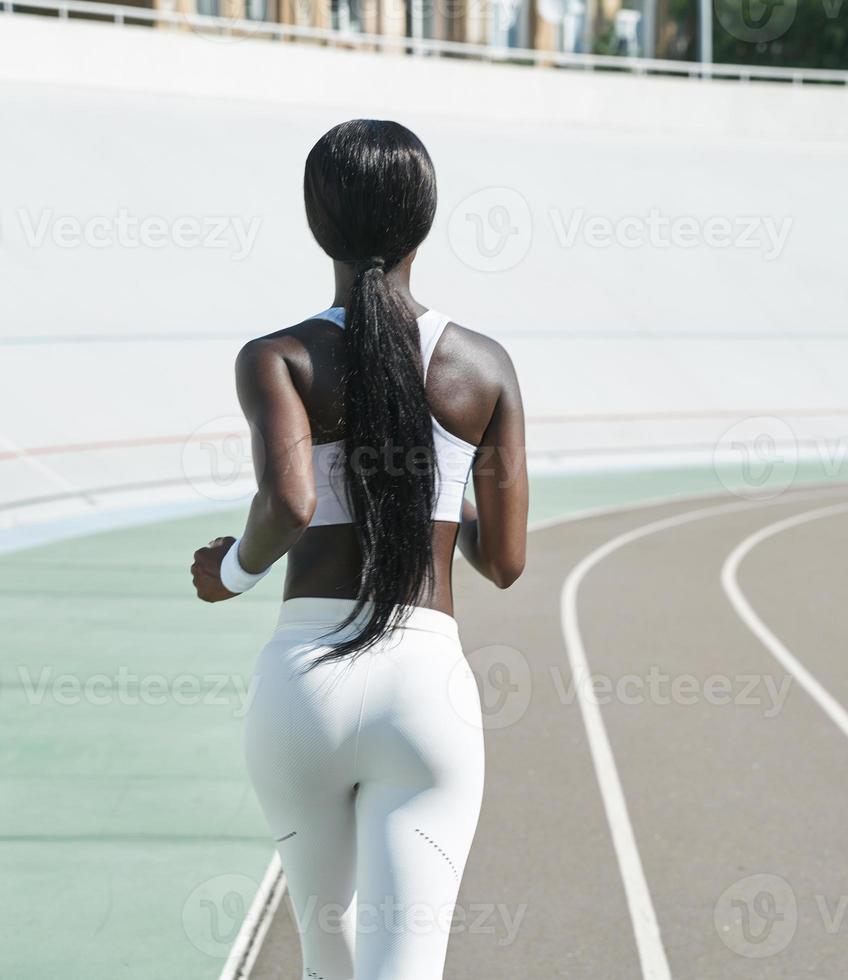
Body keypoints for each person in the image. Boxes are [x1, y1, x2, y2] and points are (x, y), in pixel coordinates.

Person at [189, 118, 528, 980]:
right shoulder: (485, 367)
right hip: (426, 693)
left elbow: (290, 504)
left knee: (325, 959)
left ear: (316, 221)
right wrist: (430, 495)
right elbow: (505, 561)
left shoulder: (278, 357)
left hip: (301, 686)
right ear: (425, 218)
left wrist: (229, 572)